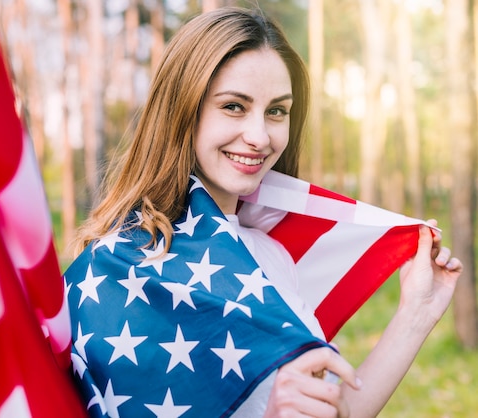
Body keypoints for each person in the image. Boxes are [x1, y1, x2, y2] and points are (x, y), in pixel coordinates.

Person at [64, 7, 463, 418]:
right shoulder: (115, 269)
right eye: (234, 106)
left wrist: (418, 311)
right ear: (182, 110)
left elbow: (335, 412)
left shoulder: (269, 255)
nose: (259, 137)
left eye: (276, 111)